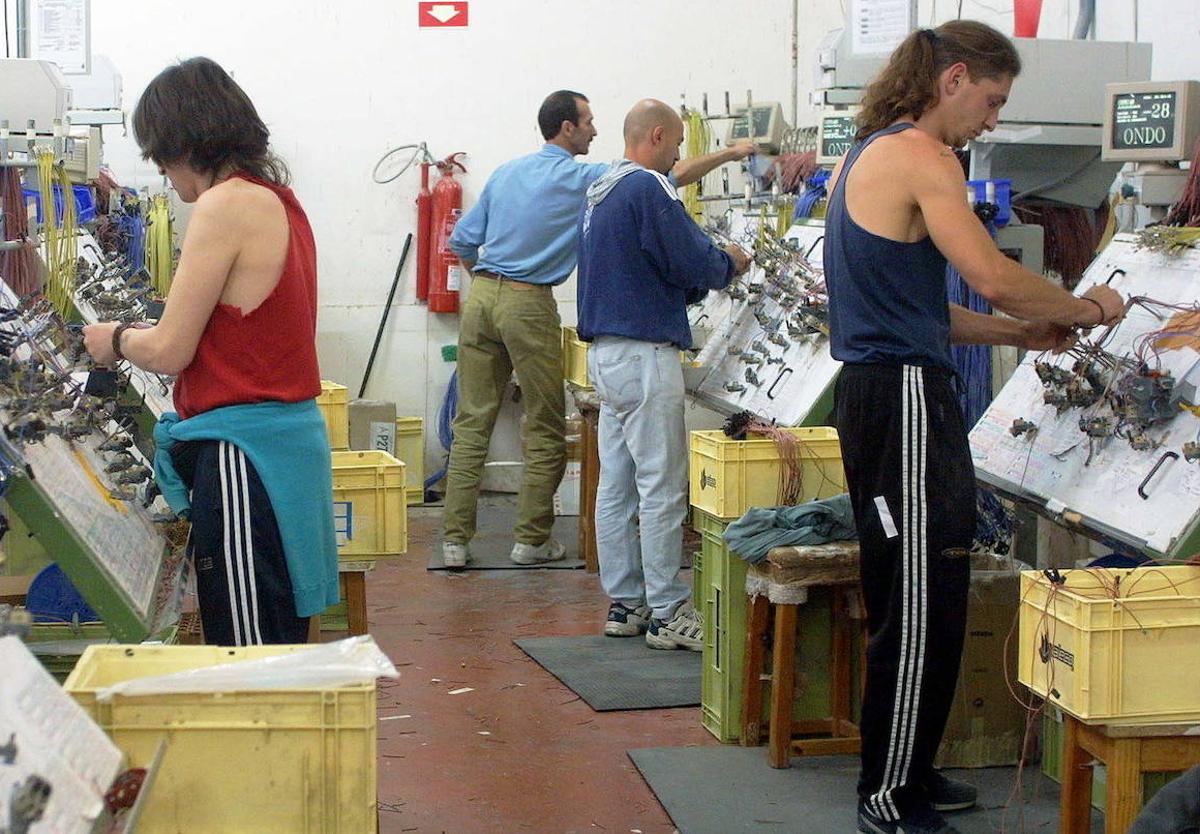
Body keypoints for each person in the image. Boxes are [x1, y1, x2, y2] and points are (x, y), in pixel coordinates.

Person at [822, 22, 1125, 834]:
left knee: (924, 590)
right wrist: (1089, 306)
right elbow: (991, 275)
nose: (991, 121)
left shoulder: (867, 152)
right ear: (954, 78)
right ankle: (888, 798)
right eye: (991, 101)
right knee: (918, 598)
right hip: (906, 401)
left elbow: (928, 311)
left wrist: (1024, 334)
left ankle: (909, 773)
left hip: (885, 390)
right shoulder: (926, 155)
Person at [83, 57, 338, 645]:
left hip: (245, 457)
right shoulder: (277, 199)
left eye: (162, 159)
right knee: (276, 635)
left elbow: (170, 349)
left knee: (250, 651)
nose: (167, 177)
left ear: (184, 142)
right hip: (279, 449)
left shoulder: (225, 204)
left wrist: (114, 339)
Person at [442, 90, 755, 568]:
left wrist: (490, 284)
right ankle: (531, 541)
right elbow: (661, 176)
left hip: (483, 292)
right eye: (588, 122)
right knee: (545, 425)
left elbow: (463, 241)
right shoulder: (588, 177)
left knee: (471, 423)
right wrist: (729, 154)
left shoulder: (506, 173)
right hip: (530, 303)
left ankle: (453, 542)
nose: (594, 129)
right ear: (567, 128)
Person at [576, 99, 751, 650]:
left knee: (617, 484)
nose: (678, 155)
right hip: (644, 355)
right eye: (675, 143)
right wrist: (728, 261)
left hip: (606, 356)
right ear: (656, 136)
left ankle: (625, 603)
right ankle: (667, 611)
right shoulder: (649, 189)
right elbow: (689, 259)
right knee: (662, 486)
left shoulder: (602, 190)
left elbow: (654, 264)